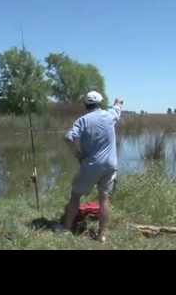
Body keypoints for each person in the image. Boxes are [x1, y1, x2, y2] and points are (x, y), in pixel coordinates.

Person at [61, 91, 124, 243]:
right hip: (110, 165)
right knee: (104, 199)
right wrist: (118, 101)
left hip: (91, 164)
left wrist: (78, 155)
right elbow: (118, 106)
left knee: (76, 195)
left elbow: (68, 137)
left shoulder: (82, 120)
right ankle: (102, 235)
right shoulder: (110, 115)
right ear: (100, 103)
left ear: (85, 105)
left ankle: (66, 229)